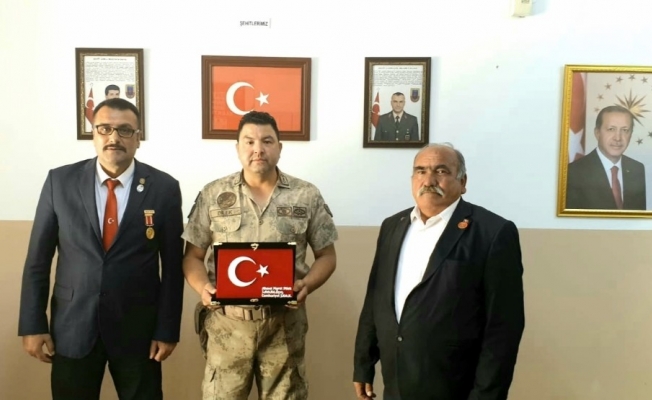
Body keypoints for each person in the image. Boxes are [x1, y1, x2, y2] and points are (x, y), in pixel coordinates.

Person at [18, 98, 185, 400]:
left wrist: (167, 329)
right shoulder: (60, 181)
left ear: (138, 137)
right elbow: (37, 262)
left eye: (124, 130)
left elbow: (173, 267)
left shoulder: (164, 187)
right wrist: (32, 324)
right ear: (93, 134)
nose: (114, 137)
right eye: (105, 128)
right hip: (72, 327)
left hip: (138, 331)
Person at [182, 110, 338, 399]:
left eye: (267, 141)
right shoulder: (213, 193)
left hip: (284, 326)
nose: (258, 149)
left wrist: (307, 284)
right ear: (238, 148)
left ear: (279, 147)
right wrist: (203, 287)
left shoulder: (306, 195)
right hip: (227, 327)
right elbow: (192, 256)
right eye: (249, 141)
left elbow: (327, 256)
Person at [353, 143, 525, 400]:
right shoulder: (392, 226)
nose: (429, 180)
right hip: (397, 382)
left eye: (441, 171)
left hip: (455, 385)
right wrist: (363, 363)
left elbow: (504, 327)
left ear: (463, 182)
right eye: (420, 171)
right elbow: (375, 299)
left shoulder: (493, 233)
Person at [566, 105, 646, 210]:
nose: (618, 138)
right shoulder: (573, 172)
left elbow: (637, 217)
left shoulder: (637, 169)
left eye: (625, 130)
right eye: (611, 129)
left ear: (630, 134)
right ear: (597, 133)